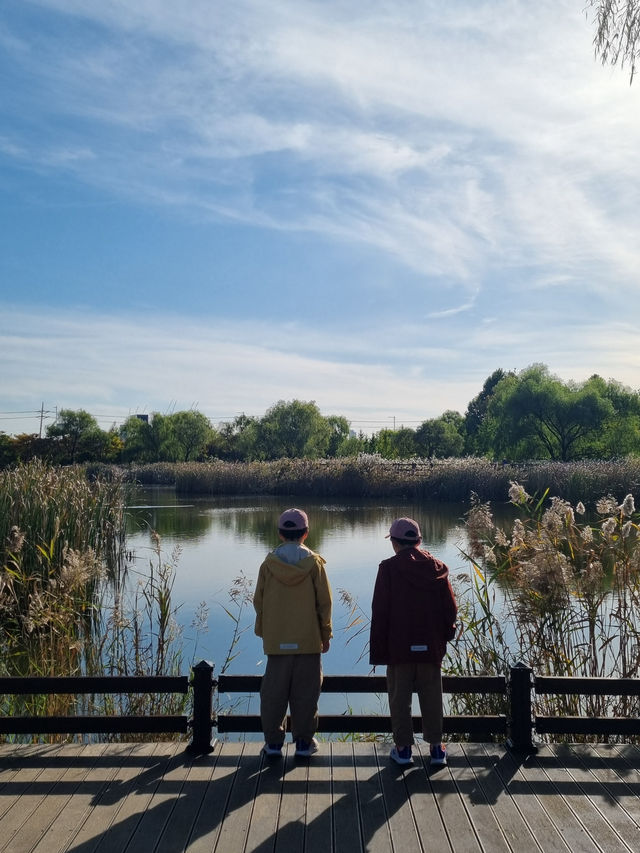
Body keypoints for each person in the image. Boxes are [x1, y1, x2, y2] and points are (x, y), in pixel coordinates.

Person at [369, 517, 457, 767]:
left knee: (399, 698)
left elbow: (380, 611)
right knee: (432, 696)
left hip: (399, 647)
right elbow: (450, 608)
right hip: (430, 646)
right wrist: (445, 636)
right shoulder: (437, 567)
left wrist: (379, 651)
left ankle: (404, 749)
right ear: (418, 540)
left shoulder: (388, 568)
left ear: (395, 543)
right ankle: (437, 750)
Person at [253, 507, 332, 758]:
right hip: (308, 641)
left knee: (273, 694)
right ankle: (303, 743)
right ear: (306, 533)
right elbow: (324, 603)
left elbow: (259, 601)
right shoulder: (314, 563)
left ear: (279, 534)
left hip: (277, 641)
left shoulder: (269, 564)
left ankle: (274, 744)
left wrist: (266, 631)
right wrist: (325, 634)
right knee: (306, 694)